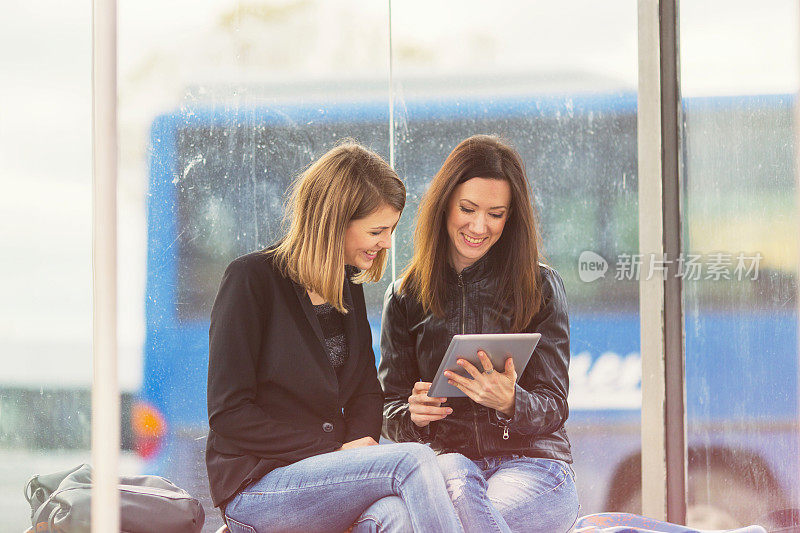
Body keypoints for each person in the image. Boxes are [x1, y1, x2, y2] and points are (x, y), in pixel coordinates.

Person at [205, 142, 465, 533]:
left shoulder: (347, 285)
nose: (388, 244)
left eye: (391, 230)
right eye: (377, 231)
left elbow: (364, 388)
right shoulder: (250, 280)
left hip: (324, 477)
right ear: (334, 222)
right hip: (257, 488)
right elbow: (228, 414)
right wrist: (333, 450)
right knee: (414, 461)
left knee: (393, 516)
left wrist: (356, 447)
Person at [379, 134, 579, 533]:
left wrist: (511, 402)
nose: (479, 226)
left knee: (452, 521)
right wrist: (413, 416)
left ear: (512, 216)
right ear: (444, 205)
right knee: (451, 476)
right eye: (467, 209)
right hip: (449, 471)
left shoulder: (538, 286)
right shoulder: (405, 295)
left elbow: (555, 405)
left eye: (496, 214)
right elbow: (388, 410)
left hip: (534, 466)